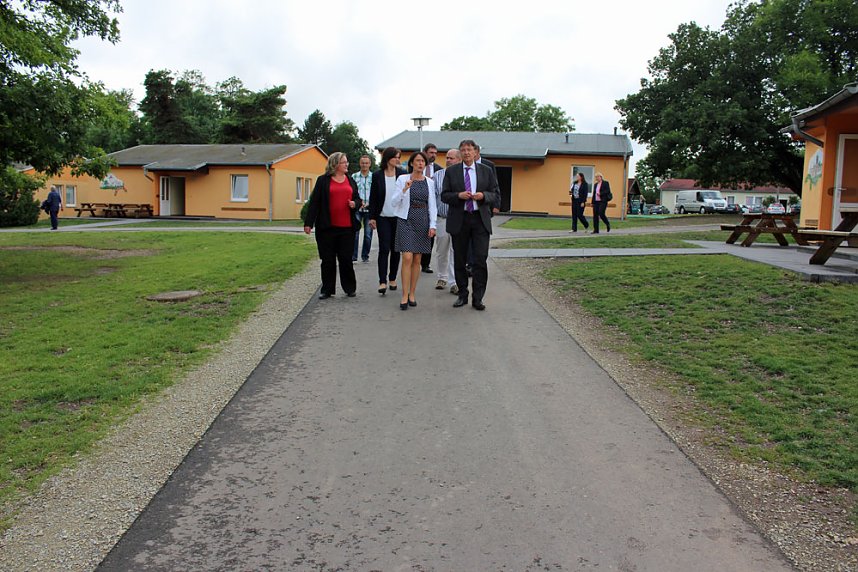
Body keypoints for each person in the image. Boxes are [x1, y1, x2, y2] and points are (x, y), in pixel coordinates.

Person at [441, 139, 499, 311]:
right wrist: (459, 195)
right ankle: (462, 294)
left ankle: (478, 297)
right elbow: (444, 195)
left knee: (480, 259)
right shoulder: (451, 172)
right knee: (460, 259)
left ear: (475, 152)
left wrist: (483, 196)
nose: (466, 152)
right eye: (463, 150)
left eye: (469, 149)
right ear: (460, 153)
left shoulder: (486, 171)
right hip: (460, 218)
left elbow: (495, 193)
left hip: (480, 219)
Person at [303, 152, 362, 299]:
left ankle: (349, 288)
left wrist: (355, 204)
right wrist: (308, 223)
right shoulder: (323, 181)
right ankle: (327, 289)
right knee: (328, 260)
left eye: (346, 162)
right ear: (335, 164)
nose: (347, 164)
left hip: (347, 227)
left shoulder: (350, 180)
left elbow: (357, 198)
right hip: (327, 228)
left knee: (346, 259)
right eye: (344, 162)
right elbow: (314, 202)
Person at [391, 151, 437, 310]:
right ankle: (404, 295)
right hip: (406, 219)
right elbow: (394, 202)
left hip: (423, 220)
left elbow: (433, 205)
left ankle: (412, 293)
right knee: (407, 257)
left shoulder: (429, 182)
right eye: (417, 161)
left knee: (417, 259)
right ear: (411, 163)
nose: (420, 164)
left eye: (423, 162)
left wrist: (433, 225)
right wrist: (404, 189)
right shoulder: (402, 179)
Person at [369, 147, 406, 295]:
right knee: (384, 249)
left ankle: (392, 278)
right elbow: (373, 197)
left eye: (399, 157)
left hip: (398, 217)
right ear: (388, 158)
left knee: (396, 249)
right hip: (383, 216)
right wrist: (372, 217)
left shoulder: (402, 175)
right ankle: (382, 281)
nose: (398, 160)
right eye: (395, 157)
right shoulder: (377, 176)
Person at [431, 148, 460, 291]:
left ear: (459, 160)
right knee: (442, 250)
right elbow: (432, 197)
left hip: (457, 219)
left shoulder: (462, 176)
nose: (448, 160)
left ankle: (453, 281)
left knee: (456, 251)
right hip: (441, 219)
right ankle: (442, 277)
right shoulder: (437, 176)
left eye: (451, 158)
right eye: (447, 158)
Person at [420, 143, 440, 274]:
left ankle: (425, 264)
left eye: (435, 153)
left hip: (432, 204)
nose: (433, 155)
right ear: (425, 153)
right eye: (431, 152)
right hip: (418, 204)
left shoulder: (439, 169)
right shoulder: (417, 167)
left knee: (430, 235)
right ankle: (415, 259)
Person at [352, 155, 373, 262]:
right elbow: (351, 192)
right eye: (362, 163)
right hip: (357, 209)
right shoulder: (354, 177)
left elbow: (376, 194)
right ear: (360, 163)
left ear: (370, 164)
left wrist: (369, 204)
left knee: (368, 234)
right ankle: (353, 256)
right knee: (355, 233)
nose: (364, 165)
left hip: (369, 210)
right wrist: (358, 203)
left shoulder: (374, 177)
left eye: (366, 163)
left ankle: (365, 256)